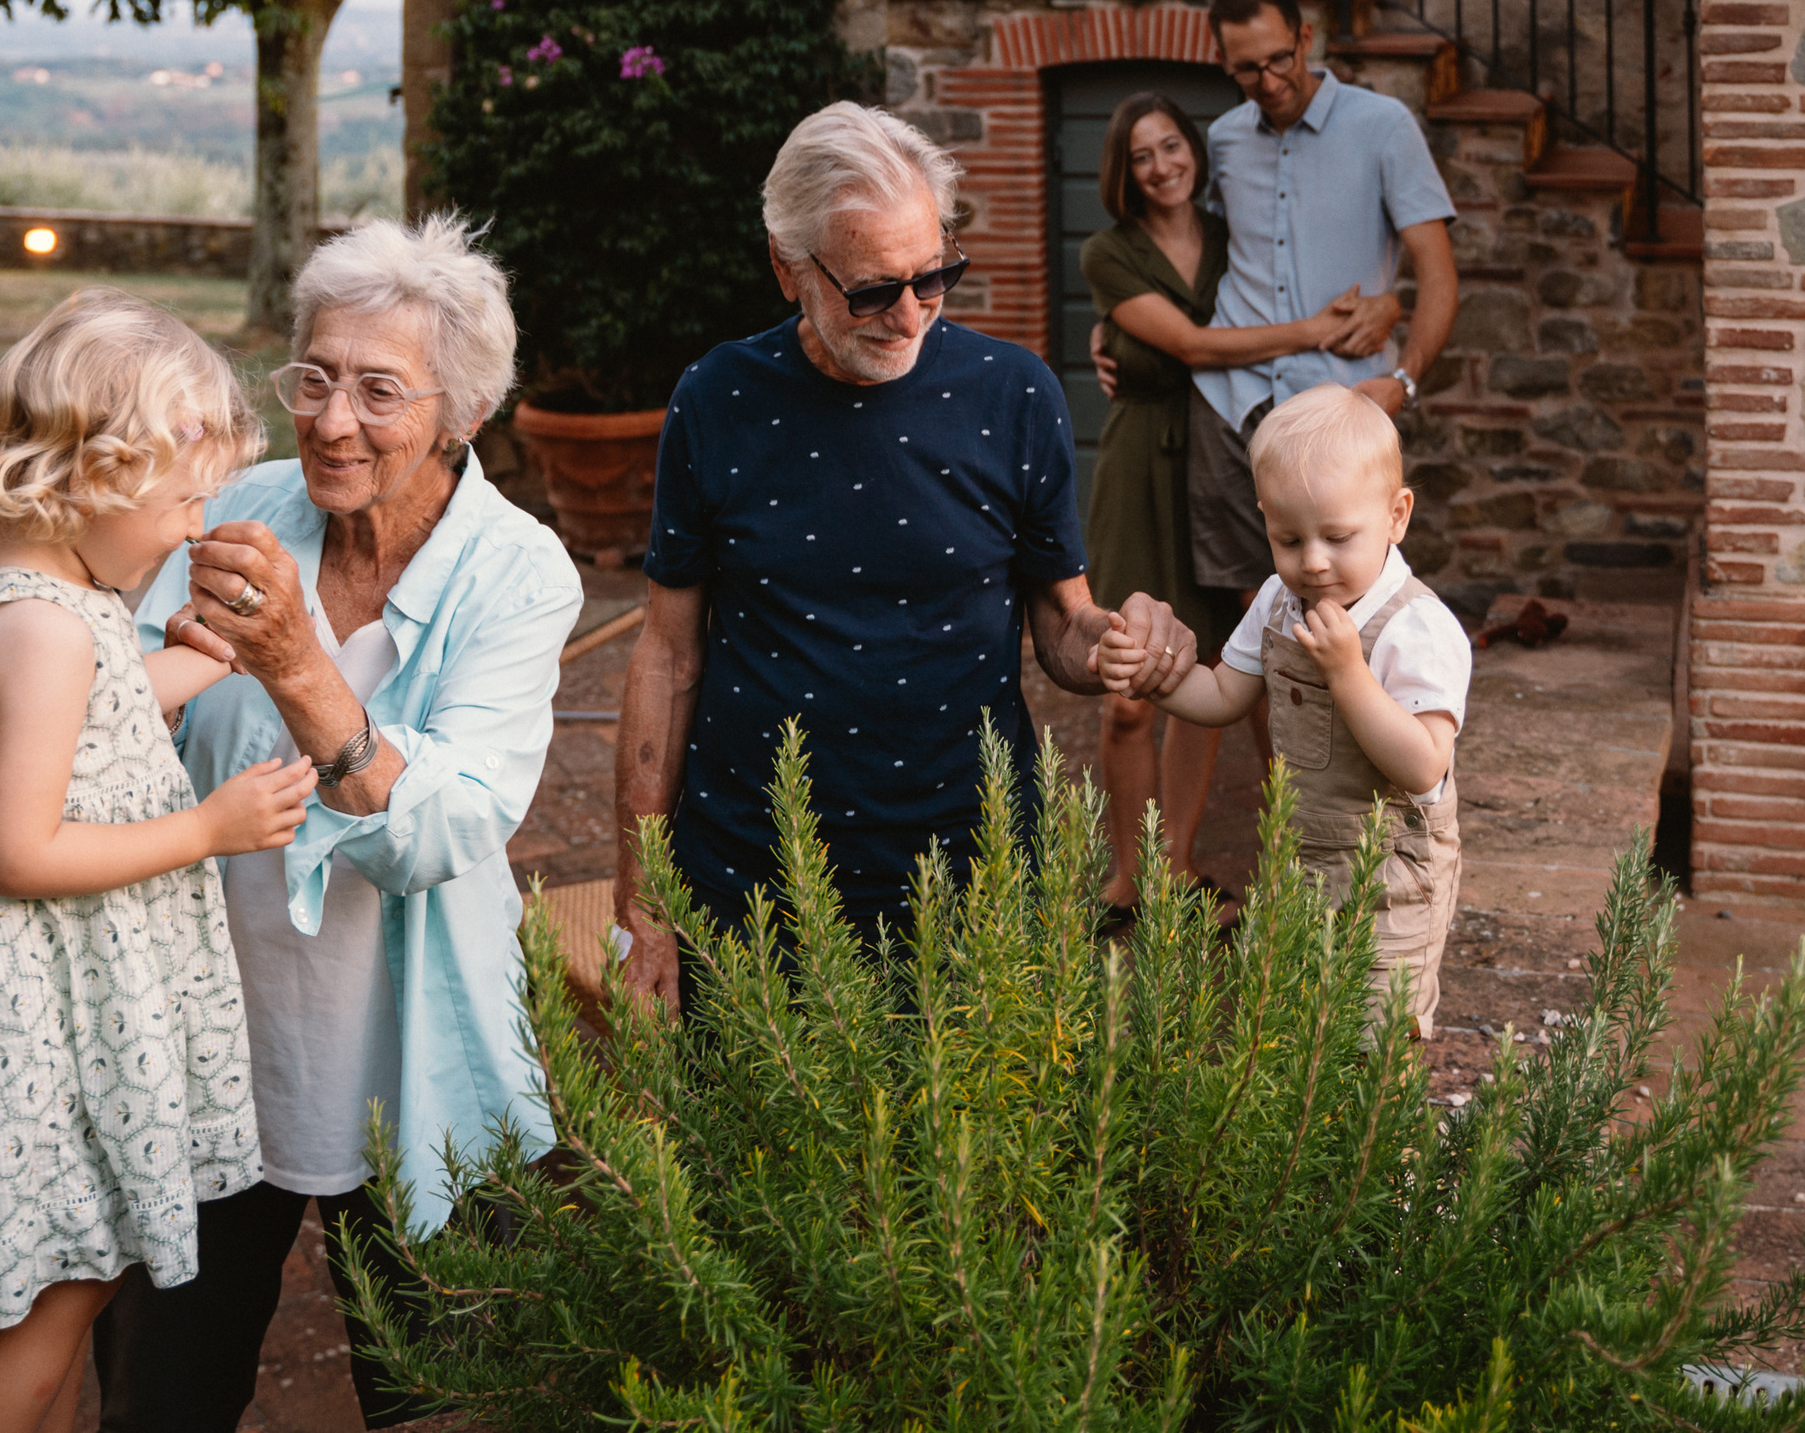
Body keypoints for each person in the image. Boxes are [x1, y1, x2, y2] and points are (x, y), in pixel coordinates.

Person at [0, 291, 318, 1433]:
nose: (192, 533)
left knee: (63, 1285)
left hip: (30, 999)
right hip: (22, 1015)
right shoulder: (42, 629)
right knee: (57, 1295)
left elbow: (97, 712)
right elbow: (22, 851)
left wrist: (206, 664)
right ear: (99, 475)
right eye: (184, 503)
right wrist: (208, 830)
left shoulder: (28, 585)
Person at [97, 215, 581, 1433]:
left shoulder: (520, 574)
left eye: (376, 390)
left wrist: (299, 665)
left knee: (438, 1393)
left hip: (414, 1043)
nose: (328, 420)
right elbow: (119, 732)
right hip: (210, 1036)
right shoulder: (236, 510)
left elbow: (443, 830)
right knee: (162, 1387)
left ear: (460, 411)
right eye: (311, 376)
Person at [613, 102, 1200, 1010]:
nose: (911, 315)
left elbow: (1062, 624)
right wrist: (644, 894)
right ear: (787, 268)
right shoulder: (718, 398)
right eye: (874, 289)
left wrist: (1123, 639)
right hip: (756, 880)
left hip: (977, 871)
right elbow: (667, 652)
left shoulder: (1015, 394)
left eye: (934, 278)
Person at [1079, 92, 1393, 910]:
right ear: (1125, 170)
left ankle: (1174, 864)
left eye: (1172, 145)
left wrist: (1388, 303)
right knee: (1127, 690)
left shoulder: (1228, 238)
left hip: (1217, 469)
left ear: (1194, 152)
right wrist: (1311, 331)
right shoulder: (1107, 253)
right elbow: (1187, 344)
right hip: (1140, 473)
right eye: (1142, 154)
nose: (1162, 165)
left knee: (1207, 670)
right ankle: (1126, 878)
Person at [1096, 384, 1472, 1038]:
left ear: (1397, 514)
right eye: (1289, 538)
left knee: (1377, 1037)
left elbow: (1422, 763)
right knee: (1294, 1025)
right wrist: (1152, 678)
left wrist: (1348, 670)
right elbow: (1220, 696)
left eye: (1338, 536)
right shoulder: (1276, 600)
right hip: (1296, 864)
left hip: (1389, 876)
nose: (1314, 562)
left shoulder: (1418, 628)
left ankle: (1384, 1138)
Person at [1179, 0, 1460, 600]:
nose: (1271, 81)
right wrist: (1114, 329)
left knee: (1344, 600)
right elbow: (1189, 254)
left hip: (1338, 405)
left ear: (1306, 38)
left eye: (1282, 58)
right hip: (1229, 401)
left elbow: (1438, 273)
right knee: (1243, 610)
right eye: (1248, 69)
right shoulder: (1223, 139)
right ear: (1222, 61)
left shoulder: (1385, 126)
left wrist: (1404, 379)